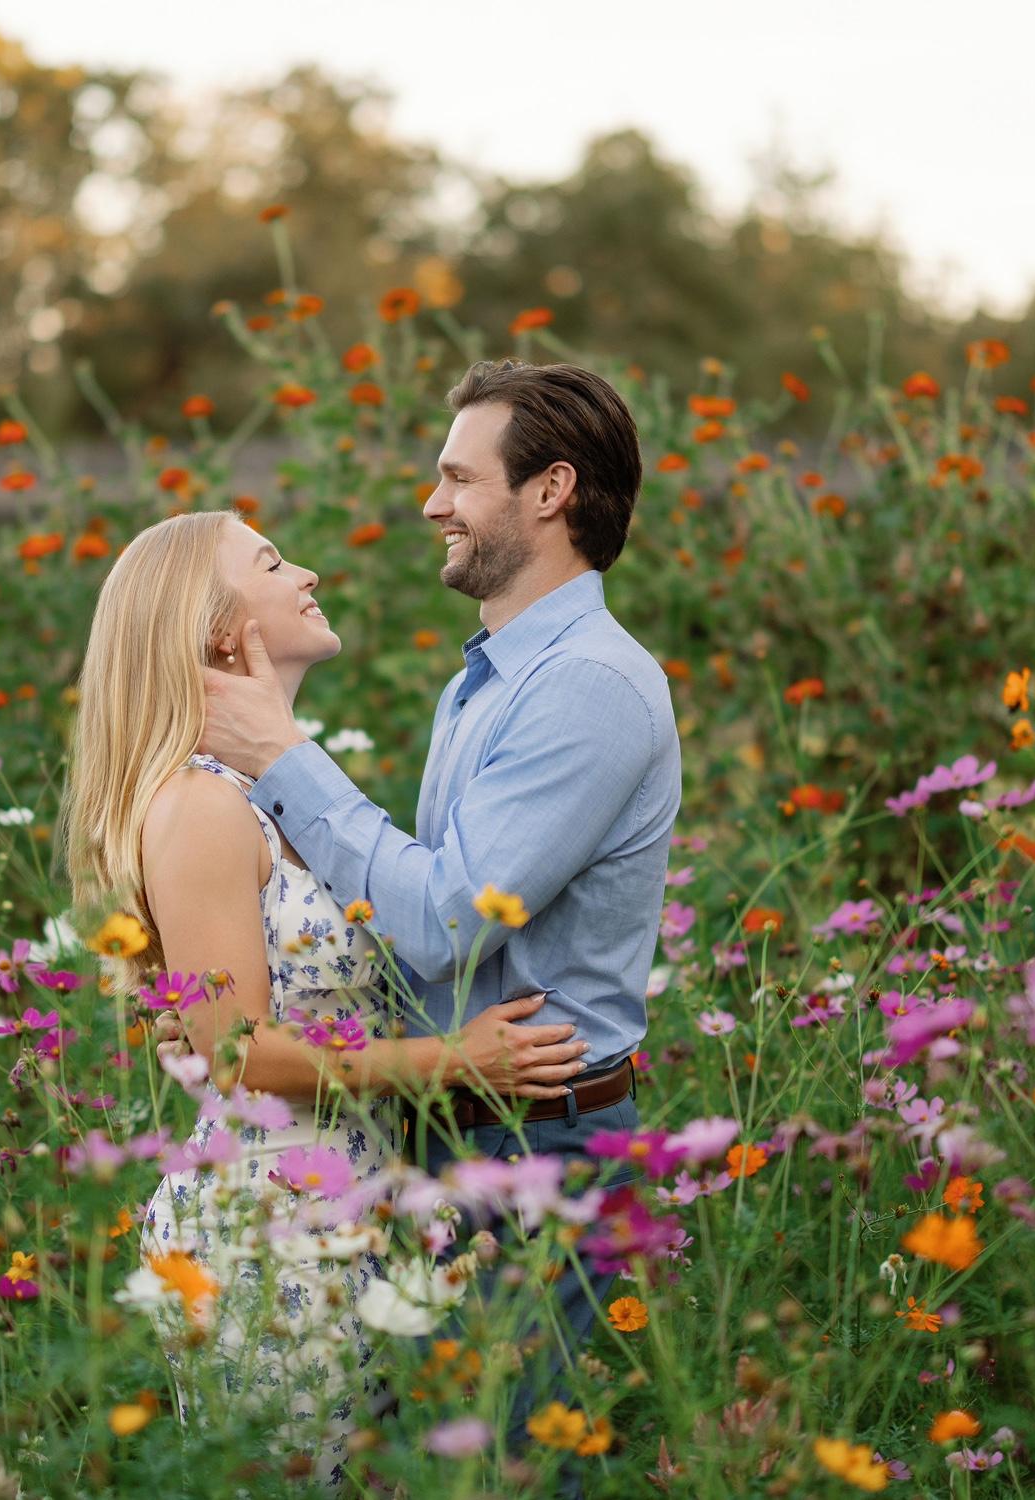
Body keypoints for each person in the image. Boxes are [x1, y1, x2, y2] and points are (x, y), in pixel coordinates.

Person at [195, 359, 682, 1490]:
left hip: (539, 1141)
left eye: (460, 477)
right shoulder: (484, 685)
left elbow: (444, 926)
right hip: (449, 1131)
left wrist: (284, 758)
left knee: (521, 1473)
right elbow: (403, 925)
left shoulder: (589, 686)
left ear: (551, 491)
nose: (432, 503)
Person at [56, 509, 587, 1489]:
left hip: (348, 1219)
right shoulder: (201, 806)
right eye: (271, 562)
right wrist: (455, 1061)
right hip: (268, 1236)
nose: (306, 572)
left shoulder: (272, 794)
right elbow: (234, 1052)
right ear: (221, 630)